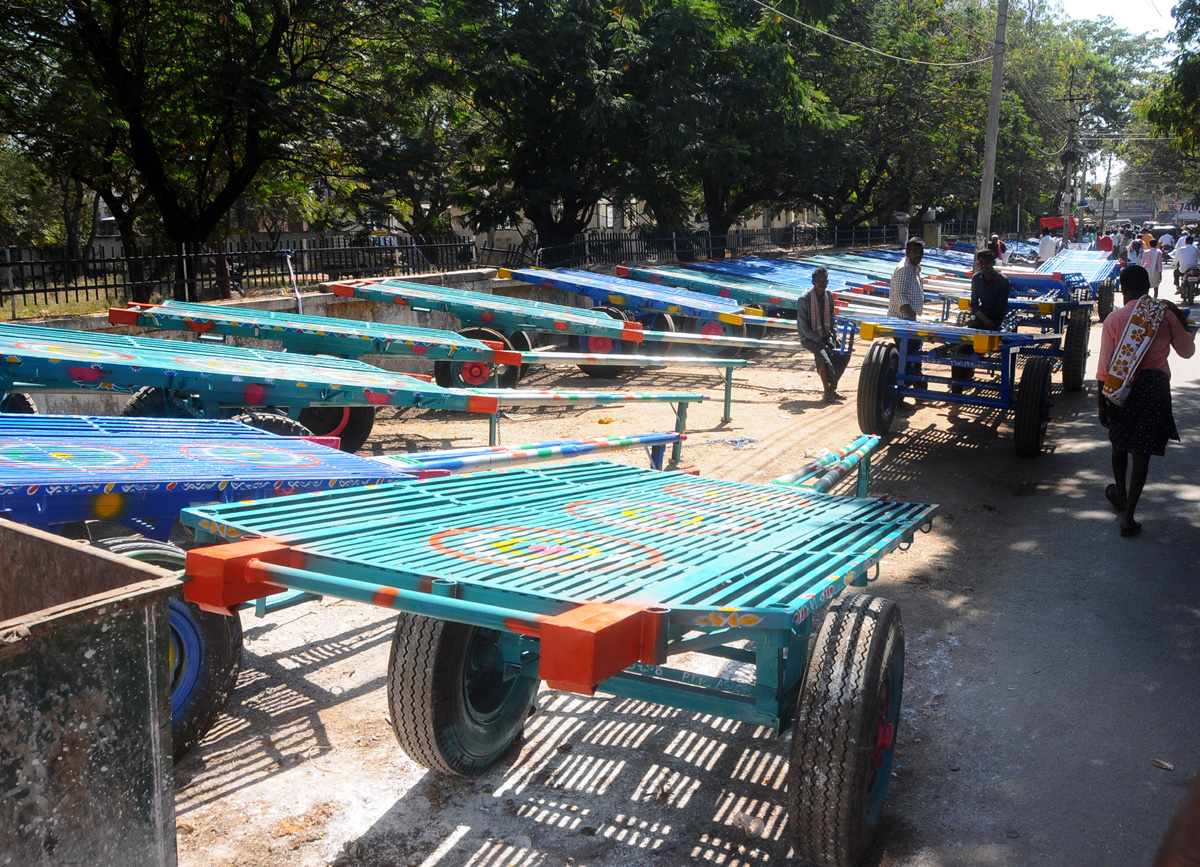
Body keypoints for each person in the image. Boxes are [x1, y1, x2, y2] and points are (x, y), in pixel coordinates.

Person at [1096, 265, 1195, 536]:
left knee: (1119, 441)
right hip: (1154, 388)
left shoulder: (1115, 319)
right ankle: (1128, 517)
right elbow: (1187, 352)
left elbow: (1104, 369)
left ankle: (1121, 495)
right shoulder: (1164, 314)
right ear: (1148, 285)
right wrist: (1181, 321)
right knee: (1142, 453)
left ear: (1123, 290)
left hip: (1121, 388)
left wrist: (1101, 403)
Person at [952, 250, 1012, 391]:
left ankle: (960, 385)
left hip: (994, 321)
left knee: (966, 346)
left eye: (987, 263)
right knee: (959, 348)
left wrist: (980, 318)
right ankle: (957, 389)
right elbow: (973, 304)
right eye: (981, 263)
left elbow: (1000, 309)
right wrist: (977, 317)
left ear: (993, 263)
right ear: (978, 264)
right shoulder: (976, 279)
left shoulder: (1003, 282)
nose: (984, 266)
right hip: (982, 319)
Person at [795, 267, 845, 402]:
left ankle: (832, 388)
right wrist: (819, 340)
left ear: (827, 282)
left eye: (823, 281)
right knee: (822, 355)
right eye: (818, 281)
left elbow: (832, 319)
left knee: (843, 353)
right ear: (813, 282)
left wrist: (836, 335)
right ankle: (826, 391)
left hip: (825, 334)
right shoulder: (803, 299)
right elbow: (803, 327)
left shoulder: (829, 296)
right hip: (809, 337)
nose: (821, 284)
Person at [890, 237, 926, 379]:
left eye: (920, 252)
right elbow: (900, 297)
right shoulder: (904, 269)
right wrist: (914, 316)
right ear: (907, 252)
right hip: (903, 322)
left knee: (913, 356)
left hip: (912, 322)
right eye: (915, 252)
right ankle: (900, 395)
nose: (918, 255)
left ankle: (917, 386)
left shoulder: (914, 268)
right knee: (905, 360)